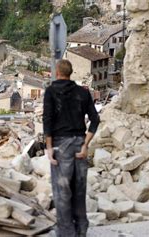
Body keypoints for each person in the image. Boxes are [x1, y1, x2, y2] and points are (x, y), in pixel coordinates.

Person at [43, 60, 100, 237]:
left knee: (62, 192)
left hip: (61, 146)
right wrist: (85, 144)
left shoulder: (51, 92)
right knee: (79, 189)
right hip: (79, 145)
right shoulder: (83, 93)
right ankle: (81, 230)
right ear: (71, 72)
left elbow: (48, 120)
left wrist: (49, 147)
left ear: (57, 72)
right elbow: (95, 120)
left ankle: (67, 233)